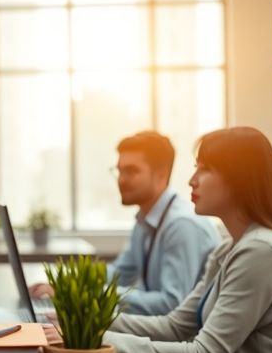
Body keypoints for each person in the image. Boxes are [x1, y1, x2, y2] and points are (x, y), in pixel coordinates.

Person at [96, 127, 272, 353]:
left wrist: (100, 339)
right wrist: (87, 322)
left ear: (238, 179)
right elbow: (174, 326)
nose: (192, 180)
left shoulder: (262, 251)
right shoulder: (230, 248)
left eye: (204, 169)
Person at [31, 131, 220, 315]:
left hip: (179, 342)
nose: (121, 179)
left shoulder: (182, 225)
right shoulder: (145, 219)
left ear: (161, 175)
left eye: (131, 171)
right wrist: (65, 283)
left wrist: (84, 294)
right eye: (119, 171)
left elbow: (171, 304)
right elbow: (120, 272)